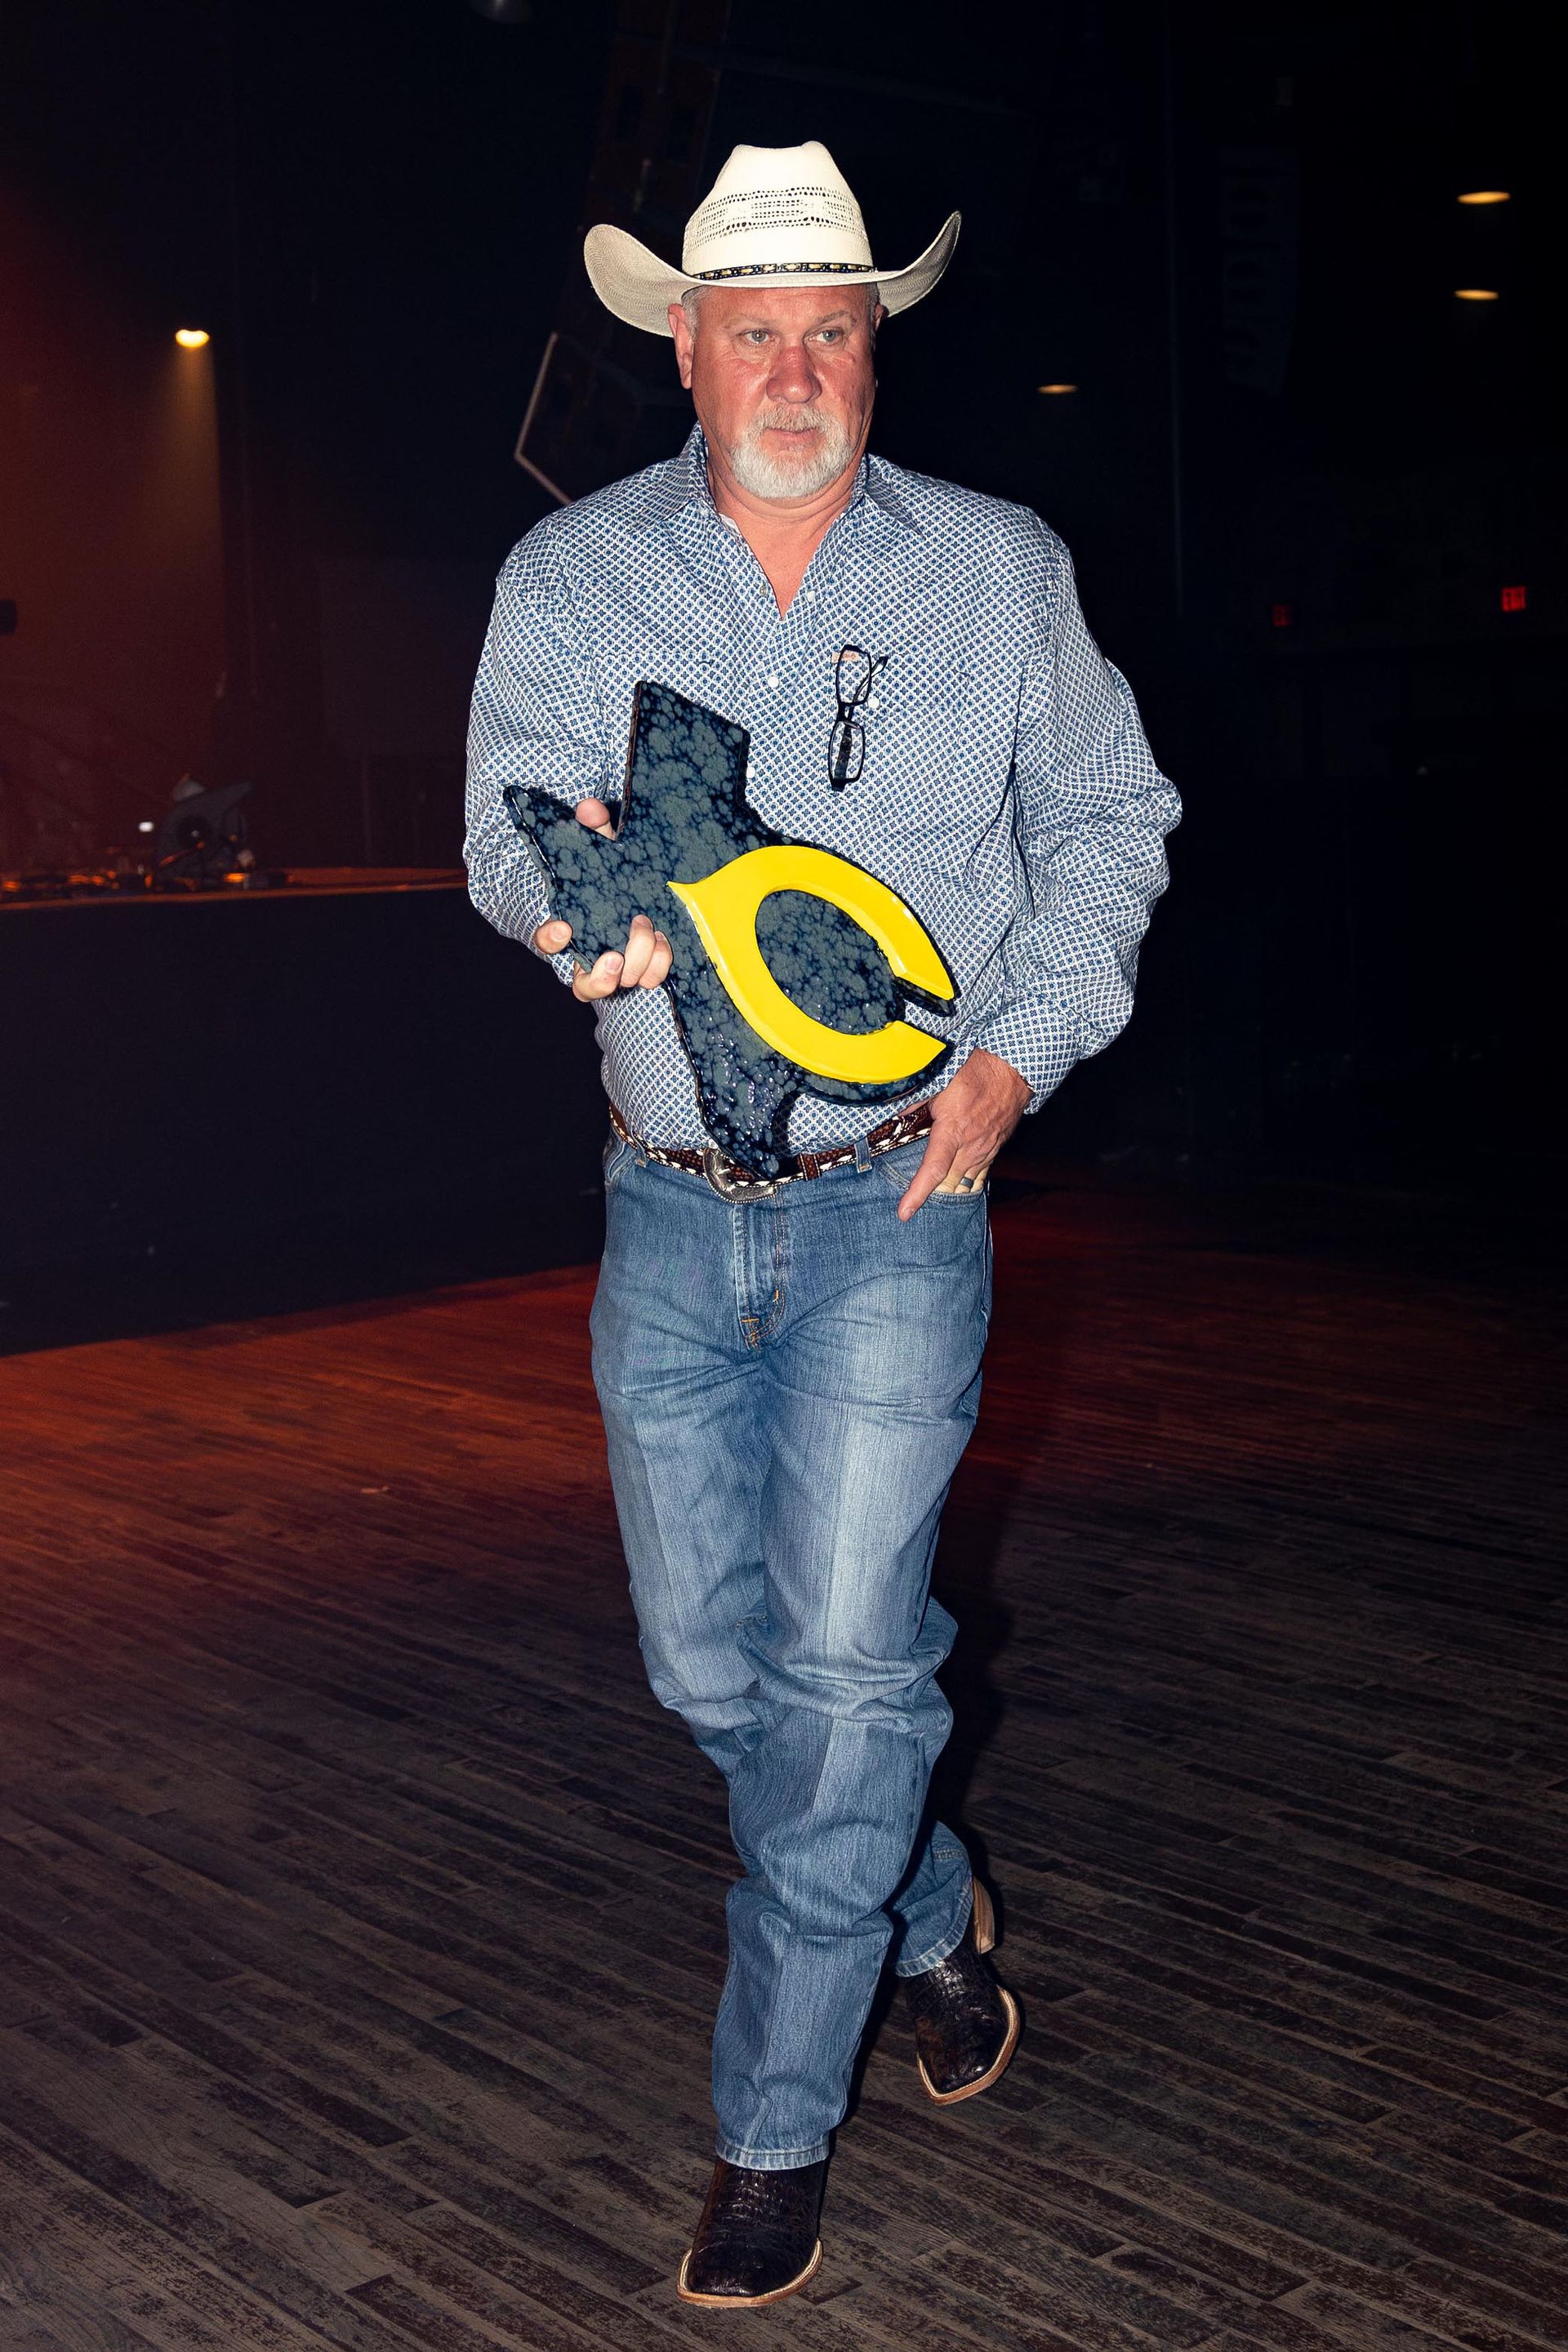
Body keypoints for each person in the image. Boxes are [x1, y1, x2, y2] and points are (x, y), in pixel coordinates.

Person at [466, 139, 1180, 2308]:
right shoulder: (579, 577)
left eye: (833, 328)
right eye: (755, 327)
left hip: (900, 1199)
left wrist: (1012, 1059)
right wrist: (563, 901)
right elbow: (519, 814)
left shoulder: (996, 569)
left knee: (856, 1668)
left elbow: (1114, 822)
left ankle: (776, 2125)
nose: (796, 365)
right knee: (726, 1674)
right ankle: (927, 1904)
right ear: (682, 348)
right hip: (664, 1214)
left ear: (880, 344)